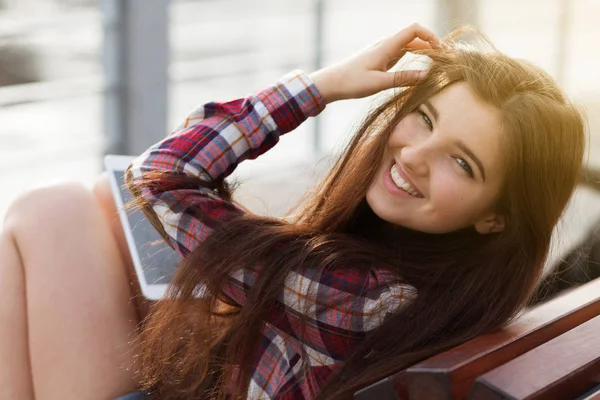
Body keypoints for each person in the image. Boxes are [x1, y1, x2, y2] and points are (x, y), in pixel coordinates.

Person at [0, 23, 586, 400]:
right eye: (426, 119)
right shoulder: (443, 295)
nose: (416, 155)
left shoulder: (368, 302)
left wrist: (320, 87)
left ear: (497, 217)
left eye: (463, 163)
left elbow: (162, 177)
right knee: (98, 205)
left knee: (49, 211)